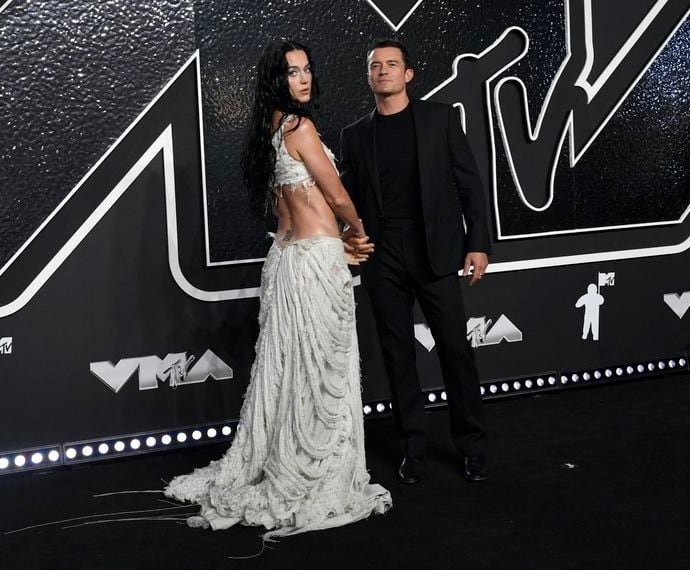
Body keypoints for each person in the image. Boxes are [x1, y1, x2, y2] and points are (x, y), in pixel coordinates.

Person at [165, 40, 391, 539]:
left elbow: (287, 206)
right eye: (293, 72)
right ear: (276, 79)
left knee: (289, 370)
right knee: (320, 369)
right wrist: (355, 230)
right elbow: (333, 194)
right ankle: (314, 471)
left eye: (308, 69)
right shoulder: (300, 127)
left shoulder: (267, 130)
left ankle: (284, 457)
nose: (305, 79)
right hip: (315, 263)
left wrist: (337, 239)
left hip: (285, 260)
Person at [339, 39, 491, 484]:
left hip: (436, 250)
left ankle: (474, 447)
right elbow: (346, 200)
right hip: (382, 254)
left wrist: (477, 243)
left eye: (392, 64)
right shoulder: (354, 135)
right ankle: (414, 447)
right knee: (397, 355)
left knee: (455, 352)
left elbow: (470, 185)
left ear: (408, 74)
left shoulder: (440, 118)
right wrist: (348, 237)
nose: (383, 71)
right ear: (369, 77)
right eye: (375, 66)